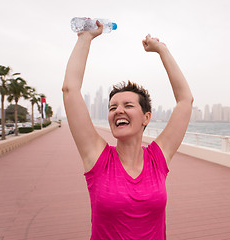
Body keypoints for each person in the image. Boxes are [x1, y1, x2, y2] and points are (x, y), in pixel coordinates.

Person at [62, 21, 193, 240]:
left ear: (146, 117)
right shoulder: (98, 159)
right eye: (113, 107)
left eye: (128, 106)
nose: (118, 111)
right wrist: (85, 38)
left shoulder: (157, 159)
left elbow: (185, 101)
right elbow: (70, 90)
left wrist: (162, 49)